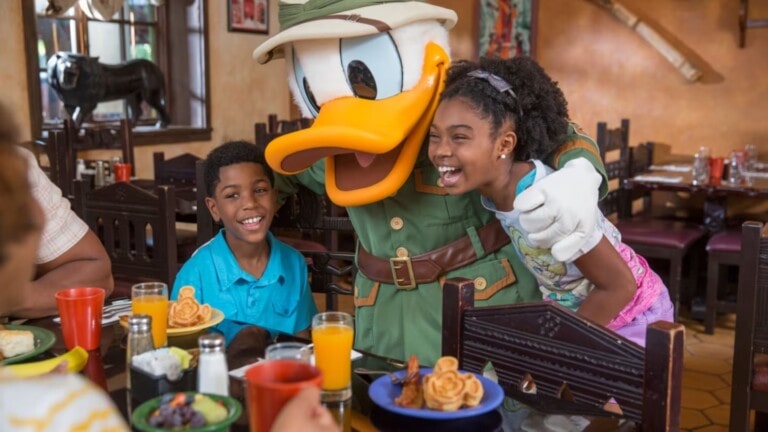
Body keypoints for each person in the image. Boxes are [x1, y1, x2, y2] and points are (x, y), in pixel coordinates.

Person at [252, 1, 607, 365]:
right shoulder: (330, 145)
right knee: (382, 411)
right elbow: (270, 177)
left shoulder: (456, 113)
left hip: (479, 308)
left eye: (363, 77)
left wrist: (580, 175)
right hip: (383, 321)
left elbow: (559, 133)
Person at [428, 56, 674, 346]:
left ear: (504, 144)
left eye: (459, 137)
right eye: (434, 136)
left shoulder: (543, 199)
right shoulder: (496, 191)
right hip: (588, 311)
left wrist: (558, 350)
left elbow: (620, 285)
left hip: (633, 316)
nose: (442, 150)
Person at [171, 141, 317, 345]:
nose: (249, 203)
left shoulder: (294, 264)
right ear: (214, 209)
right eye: (232, 195)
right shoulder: (195, 274)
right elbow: (183, 353)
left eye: (259, 190)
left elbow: (301, 343)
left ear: (274, 197)